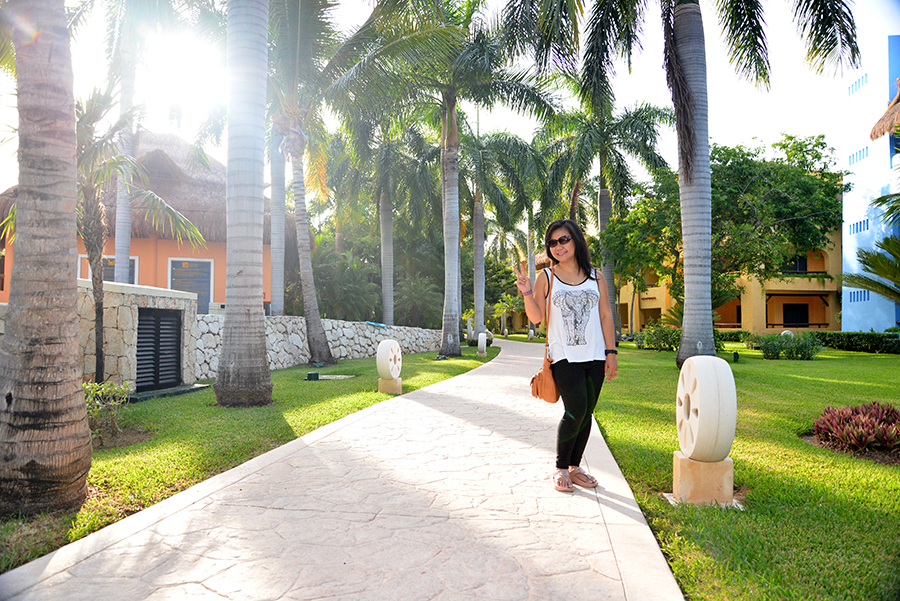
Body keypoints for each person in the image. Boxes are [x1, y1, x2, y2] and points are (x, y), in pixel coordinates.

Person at [514, 219, 619, 492]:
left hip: (596, 355)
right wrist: (526, 290)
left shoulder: (596, 276)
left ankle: (575, 467)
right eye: (552, 242)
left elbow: (606, 315)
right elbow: (537, 318)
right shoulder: (546, 277)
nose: (558, 246)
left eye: (564, 240)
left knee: (587, 413)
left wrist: (611, 352)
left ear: (576, 241)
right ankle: (561, 467)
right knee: (575, 411)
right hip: (563, 355)